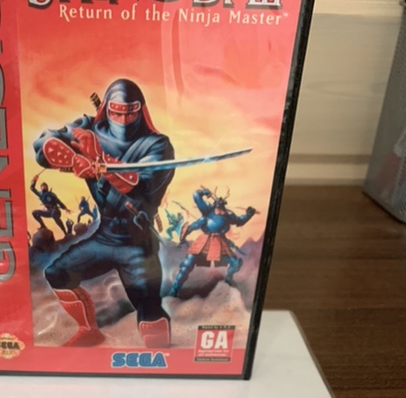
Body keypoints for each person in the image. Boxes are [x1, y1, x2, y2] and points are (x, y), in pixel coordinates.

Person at [33, 78, 174, 348]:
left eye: (130, 112)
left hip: (136, 243)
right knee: (57, 274)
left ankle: (164, 361)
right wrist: (74, 159)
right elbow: (44, 145)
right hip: (104, 236)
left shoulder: (157, 145)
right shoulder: (89, 129)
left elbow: (140, 187)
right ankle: (89, 330)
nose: (123, 119)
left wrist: (102, 160)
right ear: (106, 108)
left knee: (151, 316)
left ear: (141, 110)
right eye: (116, 112)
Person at [169, 187, 256, 297]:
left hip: (219, 242)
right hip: (203, 241)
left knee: (235, 263)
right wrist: (203, 192)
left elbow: (239, 221)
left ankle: (228, 278)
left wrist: (248, 215)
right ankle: (175, 288)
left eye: (221, 208)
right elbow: (196, 196)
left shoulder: (228, 215)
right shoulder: (207, 211)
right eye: (218, 207)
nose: (220, 211)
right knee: (187, 264)